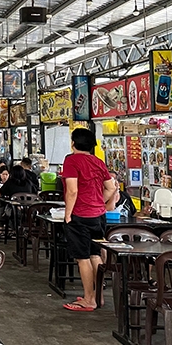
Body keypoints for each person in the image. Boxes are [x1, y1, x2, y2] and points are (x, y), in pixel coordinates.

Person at [60, 128, 117, 313]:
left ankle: (88, 299)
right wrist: (99, 202)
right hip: (98, 216)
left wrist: (68, 214)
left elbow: (72, 190)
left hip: (80, 216)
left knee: (82, 258)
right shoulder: (98, 162)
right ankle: (98, 296)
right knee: (95, 254)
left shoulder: (71, 160)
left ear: (73, 143)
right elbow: (111, 188)